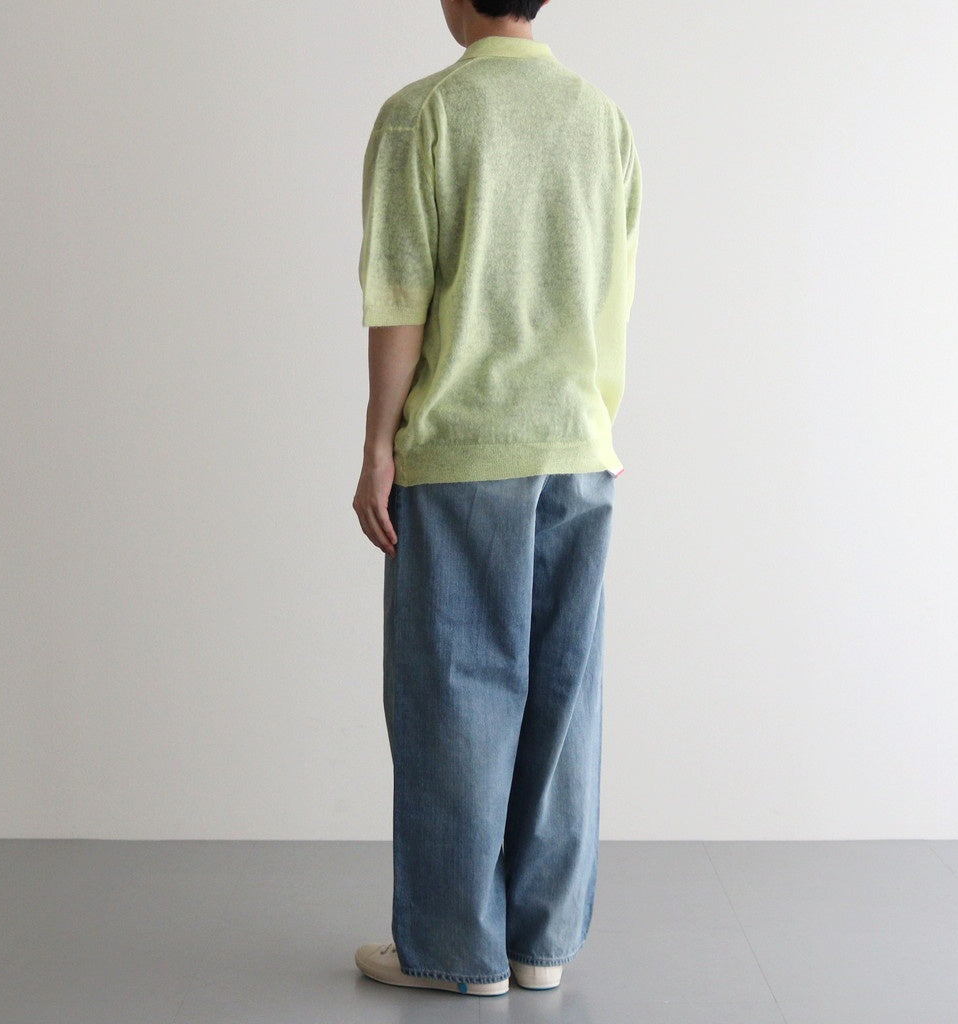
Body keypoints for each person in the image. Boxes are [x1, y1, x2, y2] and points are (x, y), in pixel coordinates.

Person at [351, 0, 642, 998]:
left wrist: (378, 444)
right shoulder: (601, 119)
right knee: (565, 699)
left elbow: (400, 296)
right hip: (579, 447)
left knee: (455, 696)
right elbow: (613, 291)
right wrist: (598, 422)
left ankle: (454, 950)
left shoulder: (422, 114)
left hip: (462, 450)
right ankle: (540, 945)